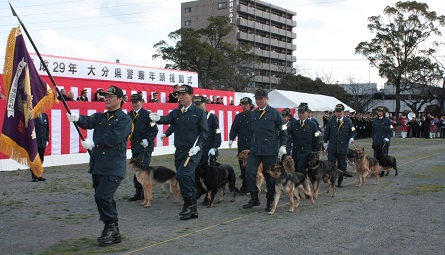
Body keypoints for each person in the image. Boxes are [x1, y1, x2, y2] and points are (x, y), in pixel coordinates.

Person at [66, 85, 132, 246]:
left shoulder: (124, 120)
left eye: (110, 96)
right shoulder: (102, 117)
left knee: (102, 196)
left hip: (114, 166)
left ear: (120, 99)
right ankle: (113, 230)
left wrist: (94, 142)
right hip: (98, 165)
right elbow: (89, 121)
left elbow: (114, 137)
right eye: (105, 96)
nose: (106, 99)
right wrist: (77, 118)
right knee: (104, 198)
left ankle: (110, 227)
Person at [149, 85, 209, 220]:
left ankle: (188, 204)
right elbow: (168, 119)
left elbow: (204, 132)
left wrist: (198, 147)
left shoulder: (199, 112)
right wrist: (157, 118)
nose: (181, 97)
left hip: (192, 152)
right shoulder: (178, 111)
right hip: (180, 151)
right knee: (187, 178)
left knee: (182, 175)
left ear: (191, 96)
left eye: (184, 95)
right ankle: (193, 210)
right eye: (179, 95)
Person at [242, 89, 288, 212]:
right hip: (255, 150)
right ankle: (254, 197)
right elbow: (251, 132)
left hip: (270, 150)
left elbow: (283, 130)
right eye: (257, 99)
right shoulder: (253, 114)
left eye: (261, 98)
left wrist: (283, 145)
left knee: (269, 177)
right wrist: (248, 147)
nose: (259, 101)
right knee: (250, 173)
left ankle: (270, 201)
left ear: (267, 99)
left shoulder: (275, 113)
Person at [127, 94, 159, 202]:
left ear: (142, 102)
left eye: (137, 102)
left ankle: (145, 193)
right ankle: (138, 193)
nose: (134, 104)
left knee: (143, 170)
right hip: (135, 146)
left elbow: (154, 130)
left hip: (145, 147)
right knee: (136, 170)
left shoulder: (147, 115)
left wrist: (148, 140)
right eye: (133, 102)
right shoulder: (130, 114)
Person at [287, 103, 319, 193]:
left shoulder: (312, 124)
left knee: (301, 167)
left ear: (307, 113)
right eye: (299, 112)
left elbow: (316, 138)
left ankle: (306, 188)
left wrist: (315, 151)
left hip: (307, 151)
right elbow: (286, 133)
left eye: (302, 112)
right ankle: (299, 189)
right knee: (296, 169)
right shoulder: (294, 124)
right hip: (296, 151)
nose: (300, 114)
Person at [323, 104, 356, 188]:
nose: (338, 113)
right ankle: (332, 180)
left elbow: (353, 131)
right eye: (336, 112)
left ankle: (340, 181)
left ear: (343, 112)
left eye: (340, 112)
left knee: (342, 165)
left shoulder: (348, 121)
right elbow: (327, 132)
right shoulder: (331, 121)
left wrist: (351, 138)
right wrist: (325, 142)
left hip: (342, 147)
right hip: (332, 147)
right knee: (330, 164)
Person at [229, 97, 253, 194]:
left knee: (250, 167)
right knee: (242, 167)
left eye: (246, 104)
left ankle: (249, 186)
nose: (244, 106)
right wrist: (231, 138)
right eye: (242, 104)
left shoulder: (254, 116)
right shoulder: (239, 116)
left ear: (250, 105)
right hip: (242, 144)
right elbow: (234, 128)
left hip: (252, 145)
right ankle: (245, 186)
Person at [371, 106, 393, 176]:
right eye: (378, 112)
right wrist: (373, 138)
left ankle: (382, 171)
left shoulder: (387, 121)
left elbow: (390, 131)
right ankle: (375, 170)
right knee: (375, 157)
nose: (379, 113)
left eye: (381, 112)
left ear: (383, 112)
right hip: (376, 142)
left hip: (384, 142)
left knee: (383, 157)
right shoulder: (375, 120)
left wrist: (387, 138)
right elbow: (373, 131)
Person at [31, 113, 49, 182]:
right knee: (34, 159)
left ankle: (39, 175)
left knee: (41, 159)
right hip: (35, 141)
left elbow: (47, 128)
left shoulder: (45, 115)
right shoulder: (33, 115)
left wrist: (47, 139)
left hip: (42, 140)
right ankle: (34, 176)